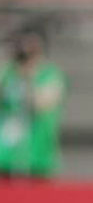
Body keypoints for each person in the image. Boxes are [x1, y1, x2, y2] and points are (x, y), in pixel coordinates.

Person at [0, 25, 66, 178]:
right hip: (6, 155)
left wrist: (28, 76)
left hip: (38, 155)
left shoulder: (50, 74)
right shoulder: (7, 73)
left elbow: (42, 104)